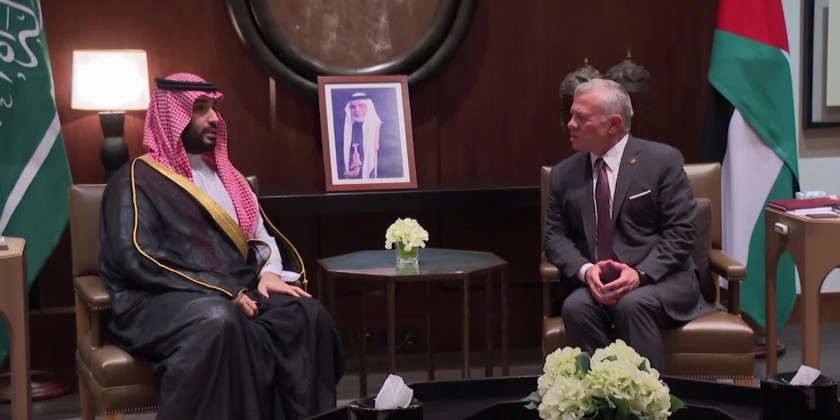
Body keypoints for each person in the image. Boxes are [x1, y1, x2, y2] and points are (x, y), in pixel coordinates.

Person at [99, 73, 345, 420]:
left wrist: (270, 273)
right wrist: (223, 291)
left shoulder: (230, 178)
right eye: (200, 109)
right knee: (220, 321)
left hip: (236, 292)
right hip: (157, 301)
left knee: (307, 315)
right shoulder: (135, 179)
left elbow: (259, 235)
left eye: (214, 108)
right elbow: (136, 257)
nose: (214, 118)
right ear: (172, 116)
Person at [543, 78, 713, 370]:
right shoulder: (563, 174)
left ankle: (649, 395)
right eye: (571, 115)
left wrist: (640, 274)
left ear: (614, 124)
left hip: (661, 279)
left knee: (632, 305)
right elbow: (555, 238)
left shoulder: (662, 161)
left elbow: (681, 233)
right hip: (598, 284)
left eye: (581, 118)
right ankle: (604, 392)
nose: (570, 124)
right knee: (575, 307)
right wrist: (586, 270)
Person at [337, 92, 382, 179]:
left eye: (360, 105)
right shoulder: (347, 129)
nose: (357, 110)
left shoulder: (379, 128)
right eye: (353, 107)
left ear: (368, 107)